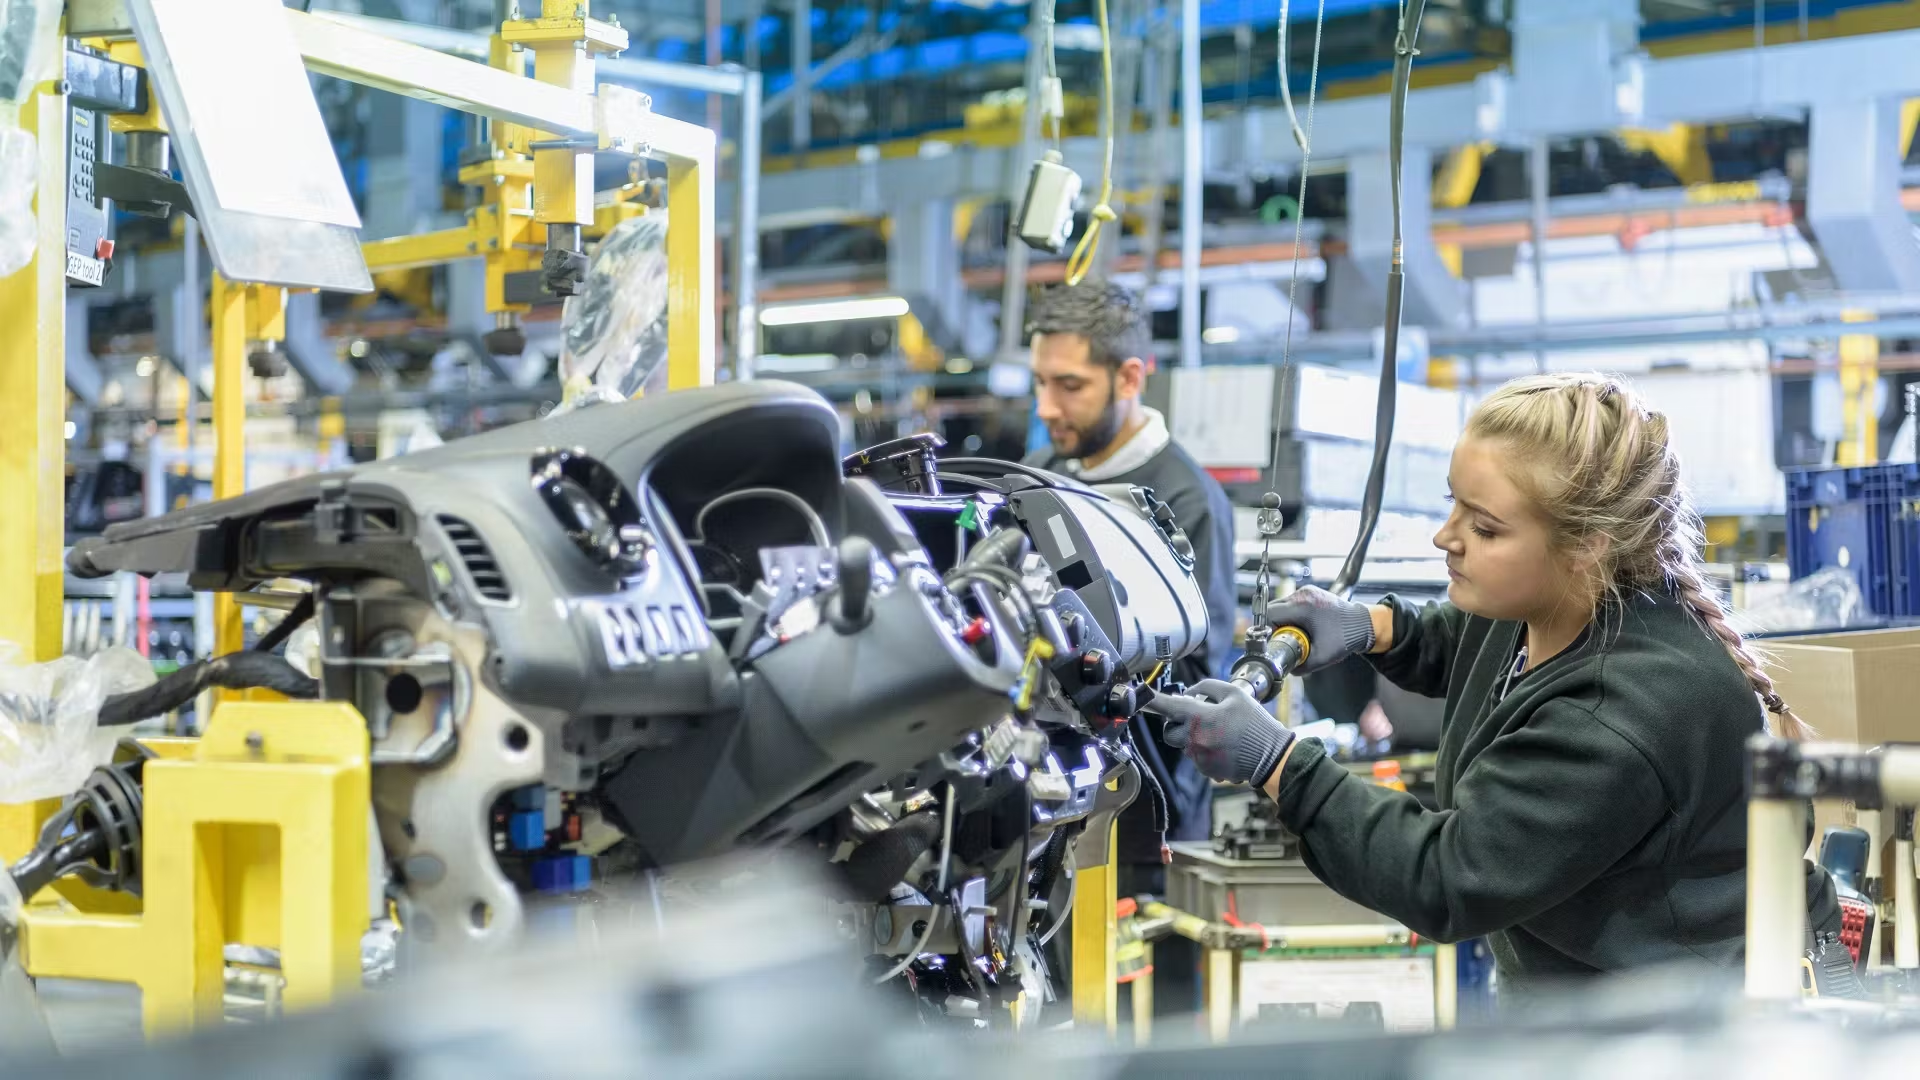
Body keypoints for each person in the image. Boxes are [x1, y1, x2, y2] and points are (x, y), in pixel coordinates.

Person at [1149, 372, 1837, 996]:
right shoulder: (1561, 603)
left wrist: (1277, 762)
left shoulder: (1619, 711)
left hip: (1693, 1026)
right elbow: (1469, 646)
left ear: (1587, 544)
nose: (1446, 538)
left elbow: (1447, 876)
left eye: (1484, 526)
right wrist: (1372, 627)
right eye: (1455, 507)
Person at [1021, 280, 1237, 1010]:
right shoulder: (1048, 486)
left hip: (1149, 830)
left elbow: (1197, 678)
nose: (1048, 406)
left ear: (1130, 377)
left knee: (1149, 1023)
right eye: (1041, 384)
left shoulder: (1183, 500)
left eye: (1070, 386)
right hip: (1058, 819)